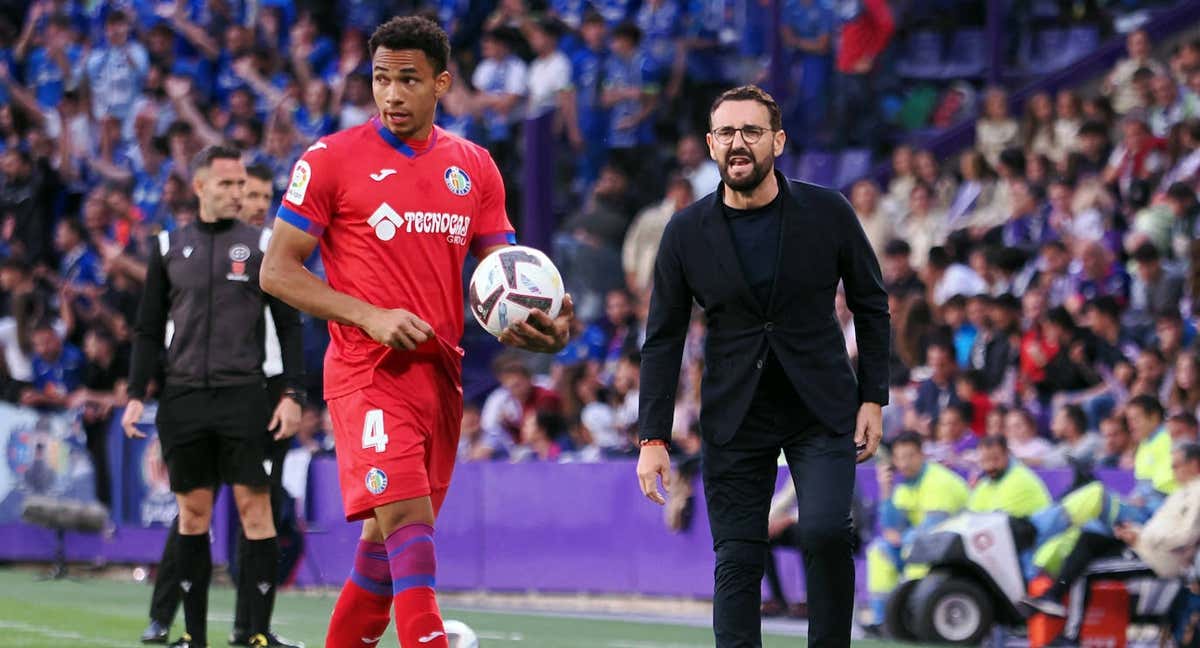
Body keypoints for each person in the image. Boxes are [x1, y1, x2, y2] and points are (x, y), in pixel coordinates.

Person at [258, 16, 573, 648]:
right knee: (406, 520)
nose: (393, 94)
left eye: (409, 80)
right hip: (365, 373)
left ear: (441, 83)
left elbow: (506, 277)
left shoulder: (475, 167)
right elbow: (276, 272)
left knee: (382, 548)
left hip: (441, 376)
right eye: (381, 79)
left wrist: (552, 326)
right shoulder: (330, 160)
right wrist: (368, 315)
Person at [635, 84, 890, 648]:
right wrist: (652, 435)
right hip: (734, 414)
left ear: (777, 140)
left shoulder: (827, 211)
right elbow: (663, 338)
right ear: (710, 144)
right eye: (726, 133)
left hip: (821, 405)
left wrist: (874, 396)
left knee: (826, 532)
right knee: (738, 556)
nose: (738, 143)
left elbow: (871, 302)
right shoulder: (685, 231)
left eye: (751, 131)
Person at [120, 145, 305, 648]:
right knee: (192, 517)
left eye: (241, 184)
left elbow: (290, 327)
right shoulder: (167, 247)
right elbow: (147, 328)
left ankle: (254, 634)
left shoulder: (264, 244)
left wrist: (292, 393)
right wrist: (137, 393)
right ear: (199, 186)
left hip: (244, 397)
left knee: (256, 513)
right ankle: (193, 635)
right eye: (226, 184)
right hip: (183, 400)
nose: (237, 193)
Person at [1023, 443, 1200, 619]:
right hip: (1144, 546)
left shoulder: (1196, 493)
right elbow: (1158, 528)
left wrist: (1141, 536)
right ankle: (1053, 596)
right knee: (1088, 538)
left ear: (1194, 464)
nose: (1172, 471)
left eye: (1176, 466)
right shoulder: (1181, 492)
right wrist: (1134, 531)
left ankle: (1068, 630)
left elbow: (1185, 536)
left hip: (1157, 559)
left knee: (1086, 566)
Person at [865, 432, 969, 629]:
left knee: (913, 551)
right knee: (879, 551)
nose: (904, 463)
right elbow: (891, 527)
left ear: (922, 454)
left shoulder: (939, 481)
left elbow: (934, 528)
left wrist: (903, 537)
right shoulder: (905, 485)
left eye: (910, 456)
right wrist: (886, 490)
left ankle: (914, 619)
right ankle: (882, 621)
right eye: (899, 458)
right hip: (919, 544)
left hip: (955, 550)